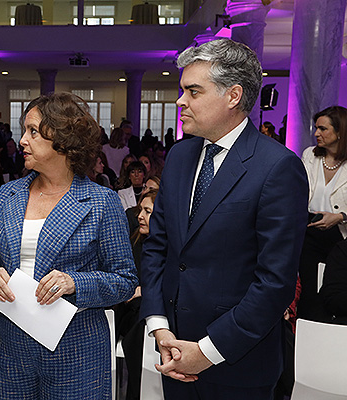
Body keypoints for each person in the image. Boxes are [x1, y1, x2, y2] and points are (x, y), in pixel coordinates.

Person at [139, 38, 309, 400]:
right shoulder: (181, 156)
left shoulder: (277, 167)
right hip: (172, 351)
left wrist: (207, 351)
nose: (180, 101)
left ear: (233, 96)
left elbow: (274, 282)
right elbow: (158, 248)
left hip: (237, 364)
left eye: (193, 91)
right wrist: (159, 327)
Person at [0, 92, 137, 399]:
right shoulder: (9, 195)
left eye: (33, 132)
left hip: (77, 349)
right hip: (13, 348)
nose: (22, 140)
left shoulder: (101, 201)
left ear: (63, 139)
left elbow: (125, 281)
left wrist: (74, 282)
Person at [297, 106, 347, 323]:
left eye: (322, 129)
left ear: (340, 132)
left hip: (340, 236)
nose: (316, 133)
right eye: (316, 128)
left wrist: (341, 217)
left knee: (333, 291)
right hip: (309, 231)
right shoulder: (310, 156)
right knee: (309, 291)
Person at [117, 188, 158, 400]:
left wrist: (145, 290)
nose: (140, 216)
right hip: (129, 312)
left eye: (148, 211)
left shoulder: (172, 248)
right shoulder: (132, 244)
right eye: (141, 210)